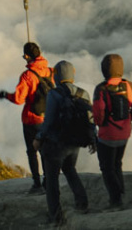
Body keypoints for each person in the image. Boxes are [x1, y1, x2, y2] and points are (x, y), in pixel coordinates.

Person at [35, 59, 94, 224]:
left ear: (57, 76)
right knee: (70, 170)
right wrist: (92, 138)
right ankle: (82, 203)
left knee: (52, 180)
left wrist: (39, 138)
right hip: (75, 142)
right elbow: (90, 118)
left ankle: (56, 216)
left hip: (56, 144)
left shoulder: (54, 94)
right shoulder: (83, 93)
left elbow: (49, 121)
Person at [0, 41, 53, 194]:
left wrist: (5, 95)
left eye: (24, 56)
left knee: (32, 151)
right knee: (44, 151)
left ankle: (37, 185)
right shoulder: (50, 71)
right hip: (47, 117)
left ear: (28, 56)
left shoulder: (28, 75)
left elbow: (18, 99)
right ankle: (48, 181)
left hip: (31, 119)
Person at [92, 53, 132, 210]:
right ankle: (121, 192)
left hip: (107, 135)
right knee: (117, 163)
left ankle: (116, 201)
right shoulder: (130, 86)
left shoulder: (101, 89)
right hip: (125, 134)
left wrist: (101, 125)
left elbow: (98, 115)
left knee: (107, 168)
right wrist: (128, 120)